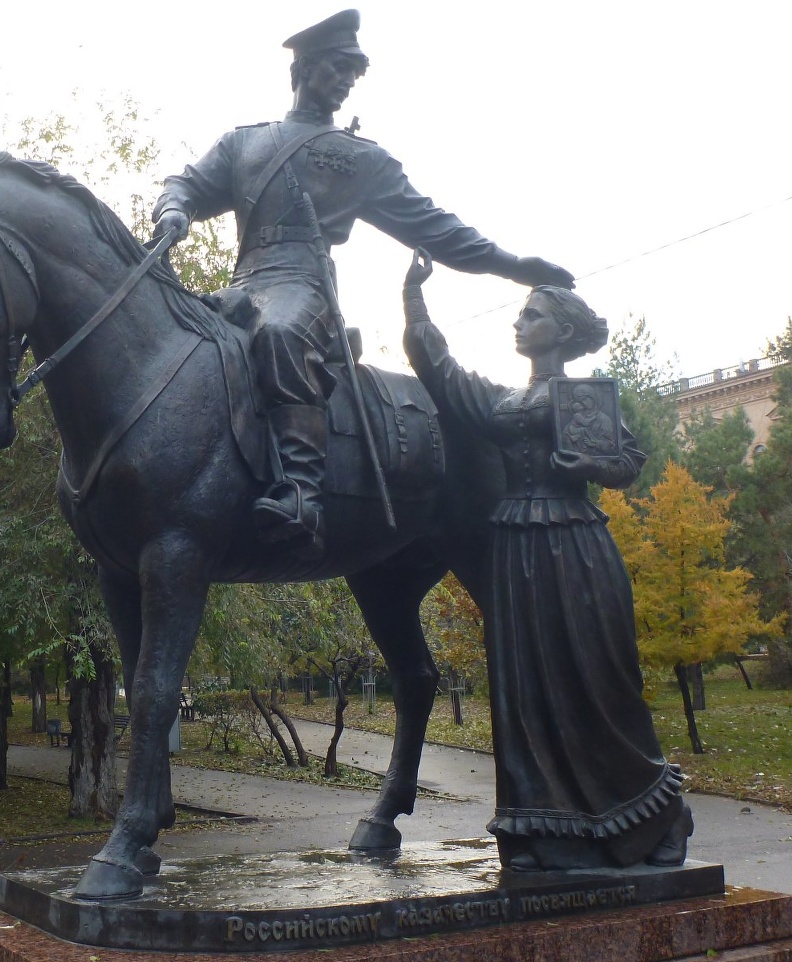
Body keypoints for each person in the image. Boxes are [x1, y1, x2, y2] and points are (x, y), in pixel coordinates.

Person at [152, 9, 573, 560]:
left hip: (303, 290)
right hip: (241, 287)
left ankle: (301, 492)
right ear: (301, 69)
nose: (347, 80)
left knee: (279, 333)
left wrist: (514, 265)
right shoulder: (243, 143)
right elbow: (185, 184)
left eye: (354, 71)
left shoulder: (361, 160)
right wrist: (173, 210)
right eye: (337, 67)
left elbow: (438, 228)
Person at [401, 250, 691, 871]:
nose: (519, 323)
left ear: (561, 331)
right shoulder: (503, 401)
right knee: (526, 688)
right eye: (521, 314)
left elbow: (625, 465)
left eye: (531, 315)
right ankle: (541, 828)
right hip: (516, 551)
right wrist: (416, 299)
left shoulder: (585, 398)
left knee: (596, 683)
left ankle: (659, 816)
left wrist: (585, 466)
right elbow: (442, 372)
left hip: (577, 546)